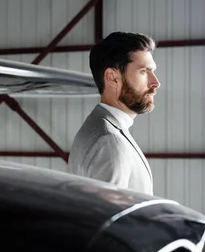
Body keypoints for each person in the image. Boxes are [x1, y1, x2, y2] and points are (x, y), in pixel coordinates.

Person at [68, 31, 160, 195]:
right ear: (112, 77)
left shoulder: (98, 129)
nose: (155, 83)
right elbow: (107, 218)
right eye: (144, 72)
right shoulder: (109, 141)